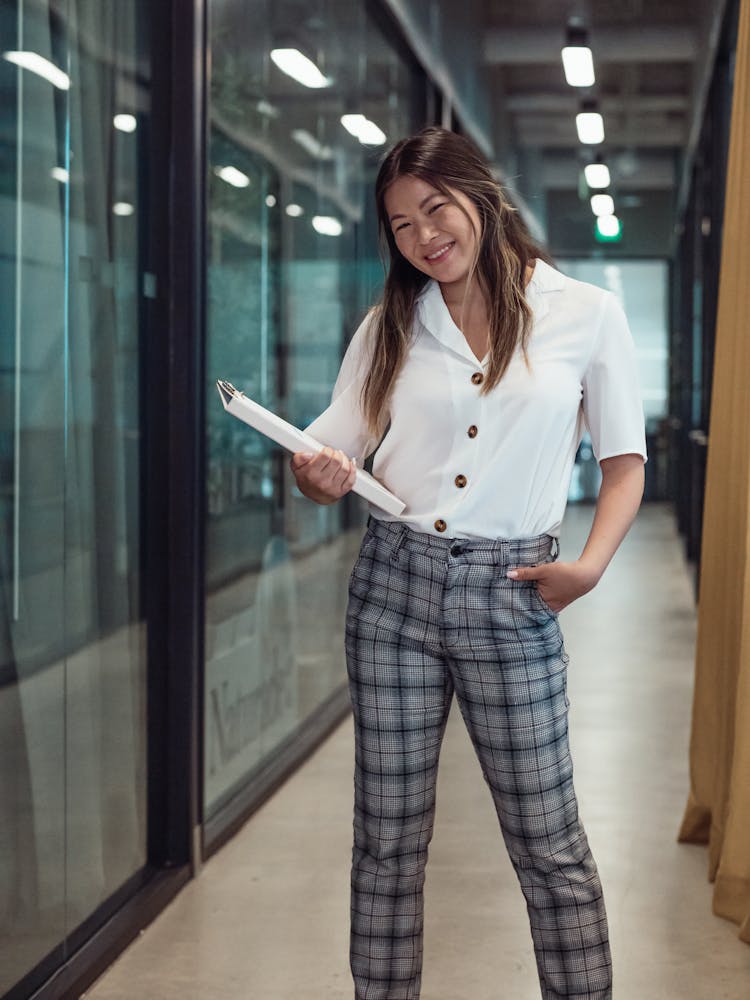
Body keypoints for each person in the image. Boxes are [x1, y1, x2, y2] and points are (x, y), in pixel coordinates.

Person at [291, 126, 646, 1000]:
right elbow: (324, 461)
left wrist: (590, 568)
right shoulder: (389, 326)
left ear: (479, 194)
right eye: (402, 225)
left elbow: (625, 464)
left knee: (549, 842)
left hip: (513, 595)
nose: (423, 237)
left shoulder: (585, 314)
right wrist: (315, 474)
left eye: (435, 209)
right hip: (393, 595)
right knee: (387, 839)